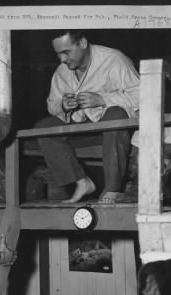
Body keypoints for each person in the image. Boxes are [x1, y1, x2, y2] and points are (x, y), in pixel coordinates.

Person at [36, 30, 139, 204]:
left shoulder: (113, 59)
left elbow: (144, 93)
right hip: (85, 131)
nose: (62, 59)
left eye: (66, 52)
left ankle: (112, 189)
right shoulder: (62, 71)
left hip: (115, 132)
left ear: (82, 43)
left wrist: (102, 99)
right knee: (43, 126)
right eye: (58, 54)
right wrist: (62, 105)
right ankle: (81, 181)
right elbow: (51, 104)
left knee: (115, 114)